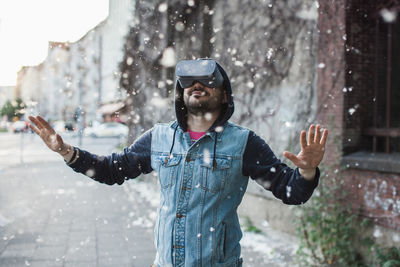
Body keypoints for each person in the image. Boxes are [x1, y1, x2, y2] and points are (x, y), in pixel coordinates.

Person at [29, 58, 328, 267]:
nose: (197, 85)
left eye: (208, 81)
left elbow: (291, 192)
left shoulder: (244, 143)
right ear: (181, 94)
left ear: (224, 95)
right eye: (189, 82)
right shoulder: (158, 138)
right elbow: (111, 170)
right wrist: (68, 152)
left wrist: (306, 169)